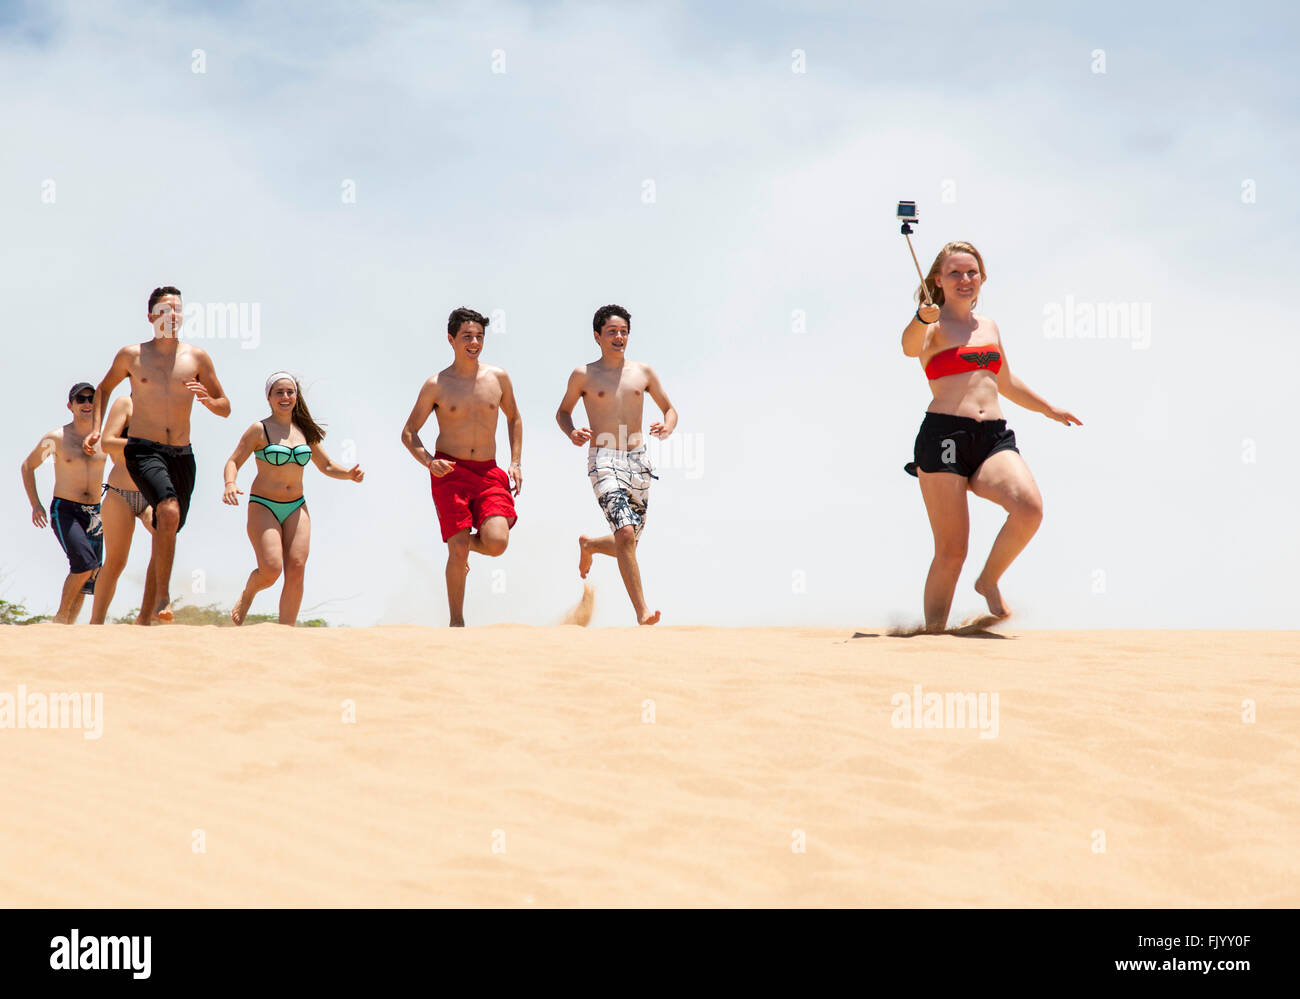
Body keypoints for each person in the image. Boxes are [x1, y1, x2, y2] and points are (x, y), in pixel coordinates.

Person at [900, 241, 1081, 632]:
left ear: (981, 278)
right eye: (955, 273)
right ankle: (933, 636)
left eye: (972, 273)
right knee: (952, 551)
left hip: (992, 436)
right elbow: (907, 347)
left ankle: (988, 581)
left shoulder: (990, 328)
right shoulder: (930, 326)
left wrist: (1048, 408)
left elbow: (1006, 381)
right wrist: (920, 317)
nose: (965, 280)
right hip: (944, 436)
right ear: (938, 280)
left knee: (1029, 509)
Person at [83, 286, 230, 623]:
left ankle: (145, 617)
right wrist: (96, 427)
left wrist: (208, 400)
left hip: (181, 454)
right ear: (151, 317)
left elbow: (226, 406)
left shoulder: (197, 358)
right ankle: (162, 597)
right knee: (167, 509)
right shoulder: (131, 355)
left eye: (177, 310)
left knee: (171, 524)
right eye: (165, 310)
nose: (172, 316)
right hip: (143, 449)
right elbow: (104, 388)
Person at [555, 304, 678, 626]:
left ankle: (591, 545)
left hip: (638, 461)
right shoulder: (583, 375)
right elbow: (563, 412)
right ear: (597, 336)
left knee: (630, 542)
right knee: (624, 534)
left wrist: (667, 425)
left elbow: (670, 409)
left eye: (623, 331)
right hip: (603, 458)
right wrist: (572, 432)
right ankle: (642, 611)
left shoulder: (644, 372)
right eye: (612, 331)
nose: (619, 337)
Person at [400, 307, 522, 627]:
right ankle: (457, 623)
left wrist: (516, 462)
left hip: (489, 472)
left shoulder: (498, 378)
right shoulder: (436, 384)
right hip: (449, 473)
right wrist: (429, 461)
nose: (474, 342)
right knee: (456, 553)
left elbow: (514, 418)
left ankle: (463, 544)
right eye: (467, 336)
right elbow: (409, 433)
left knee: (496, 543)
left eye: (479, 336)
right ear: (451, 339)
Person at [222, 373, 365, 625]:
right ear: (269, 397)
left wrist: (349, 475)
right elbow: (234, 460)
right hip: (263, 505)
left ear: (296, 397)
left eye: (290, 392)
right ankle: (249, 593)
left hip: (297, 507)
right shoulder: (259, 429)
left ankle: (286, 632)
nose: (285, 397)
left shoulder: (305, 432)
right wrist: (230, 484)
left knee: (297, 567)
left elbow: (327, 465)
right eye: (279, 392)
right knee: (271, 569)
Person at [20, 383, 106, 623]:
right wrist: (35, 504)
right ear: (71, 406)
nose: (87, 403)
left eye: (92, 399)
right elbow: (28, 466)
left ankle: (68, 626)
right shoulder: (57, 438)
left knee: (89, 574)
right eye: (81, 399)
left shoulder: (105, 437)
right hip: (66, 509)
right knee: (84, 563)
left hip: (96, 513)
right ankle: (59, 619)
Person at [91, 395, 158, 625]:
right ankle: (96, 622)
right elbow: (107, 443)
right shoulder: (125, 404)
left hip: (152, 495)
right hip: (121, 493)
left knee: (163, 540)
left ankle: (148, 614)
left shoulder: (169, 407)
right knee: (116, 561)